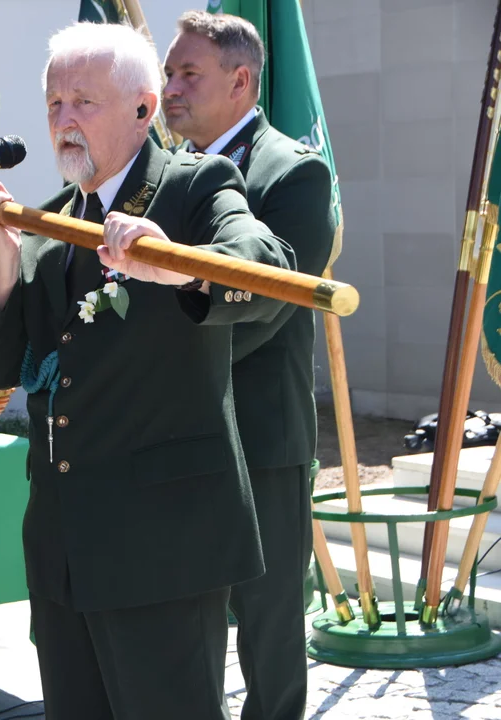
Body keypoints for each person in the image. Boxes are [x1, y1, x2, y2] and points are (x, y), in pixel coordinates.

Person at [0, 21, 296, 720]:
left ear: (144, 109)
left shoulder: (193, 186)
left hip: (162, 544)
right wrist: (1, 259)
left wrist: (174, 265)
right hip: (64, 548)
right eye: (54, 104)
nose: (64, 121)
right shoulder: (53, 222)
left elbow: (267, 269)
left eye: (83, 101)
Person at [163, 12, 337, 720]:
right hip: (170, 430)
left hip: (259, 434)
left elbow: (271, 307)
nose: (169, 88)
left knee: (267, 629)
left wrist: (151, 366)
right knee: (180, 614)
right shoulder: (164, 173)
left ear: (241, 80)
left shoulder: (292, 172)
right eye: (168, 72)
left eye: (187, 74)